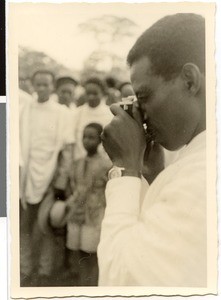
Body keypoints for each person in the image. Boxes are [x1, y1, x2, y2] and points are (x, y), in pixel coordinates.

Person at [98, 13, 207, 287]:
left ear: (190, 81)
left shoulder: (203, 173)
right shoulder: (197, 158)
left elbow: (124, 281)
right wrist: (157, 176)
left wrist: (125, 170)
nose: (140, 114)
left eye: (144, 97)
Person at [19, 69, 74, 286]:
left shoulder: (62, 113)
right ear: (33, 86)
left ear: (52, 87)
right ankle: (25, 267)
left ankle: (44, 271)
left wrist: (59, 181)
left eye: (46, 85)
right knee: (25, 224)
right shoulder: (25, 109)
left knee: (44, 226)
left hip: (50, 177)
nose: (42, 89)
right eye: (38, 84)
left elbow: (67, 150)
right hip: (26, 176)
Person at [54, 123, 111, 286]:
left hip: (94, 213)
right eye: (84, 137)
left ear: (100, 140)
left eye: (92, 138)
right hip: (77, 212)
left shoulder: (105, 165)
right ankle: (82, 284)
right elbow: (74, 187)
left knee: (91, 252)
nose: (87, 141)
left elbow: (107, 190)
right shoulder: (77, 163)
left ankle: (93, 285)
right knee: (79, 250)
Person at [73, 77, 113, 160]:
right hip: (81, 160)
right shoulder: (77, 113)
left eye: (95, 94)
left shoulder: (110, 114)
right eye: (88, 93)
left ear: (103, 93)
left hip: (103, 162)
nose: (91, 97)